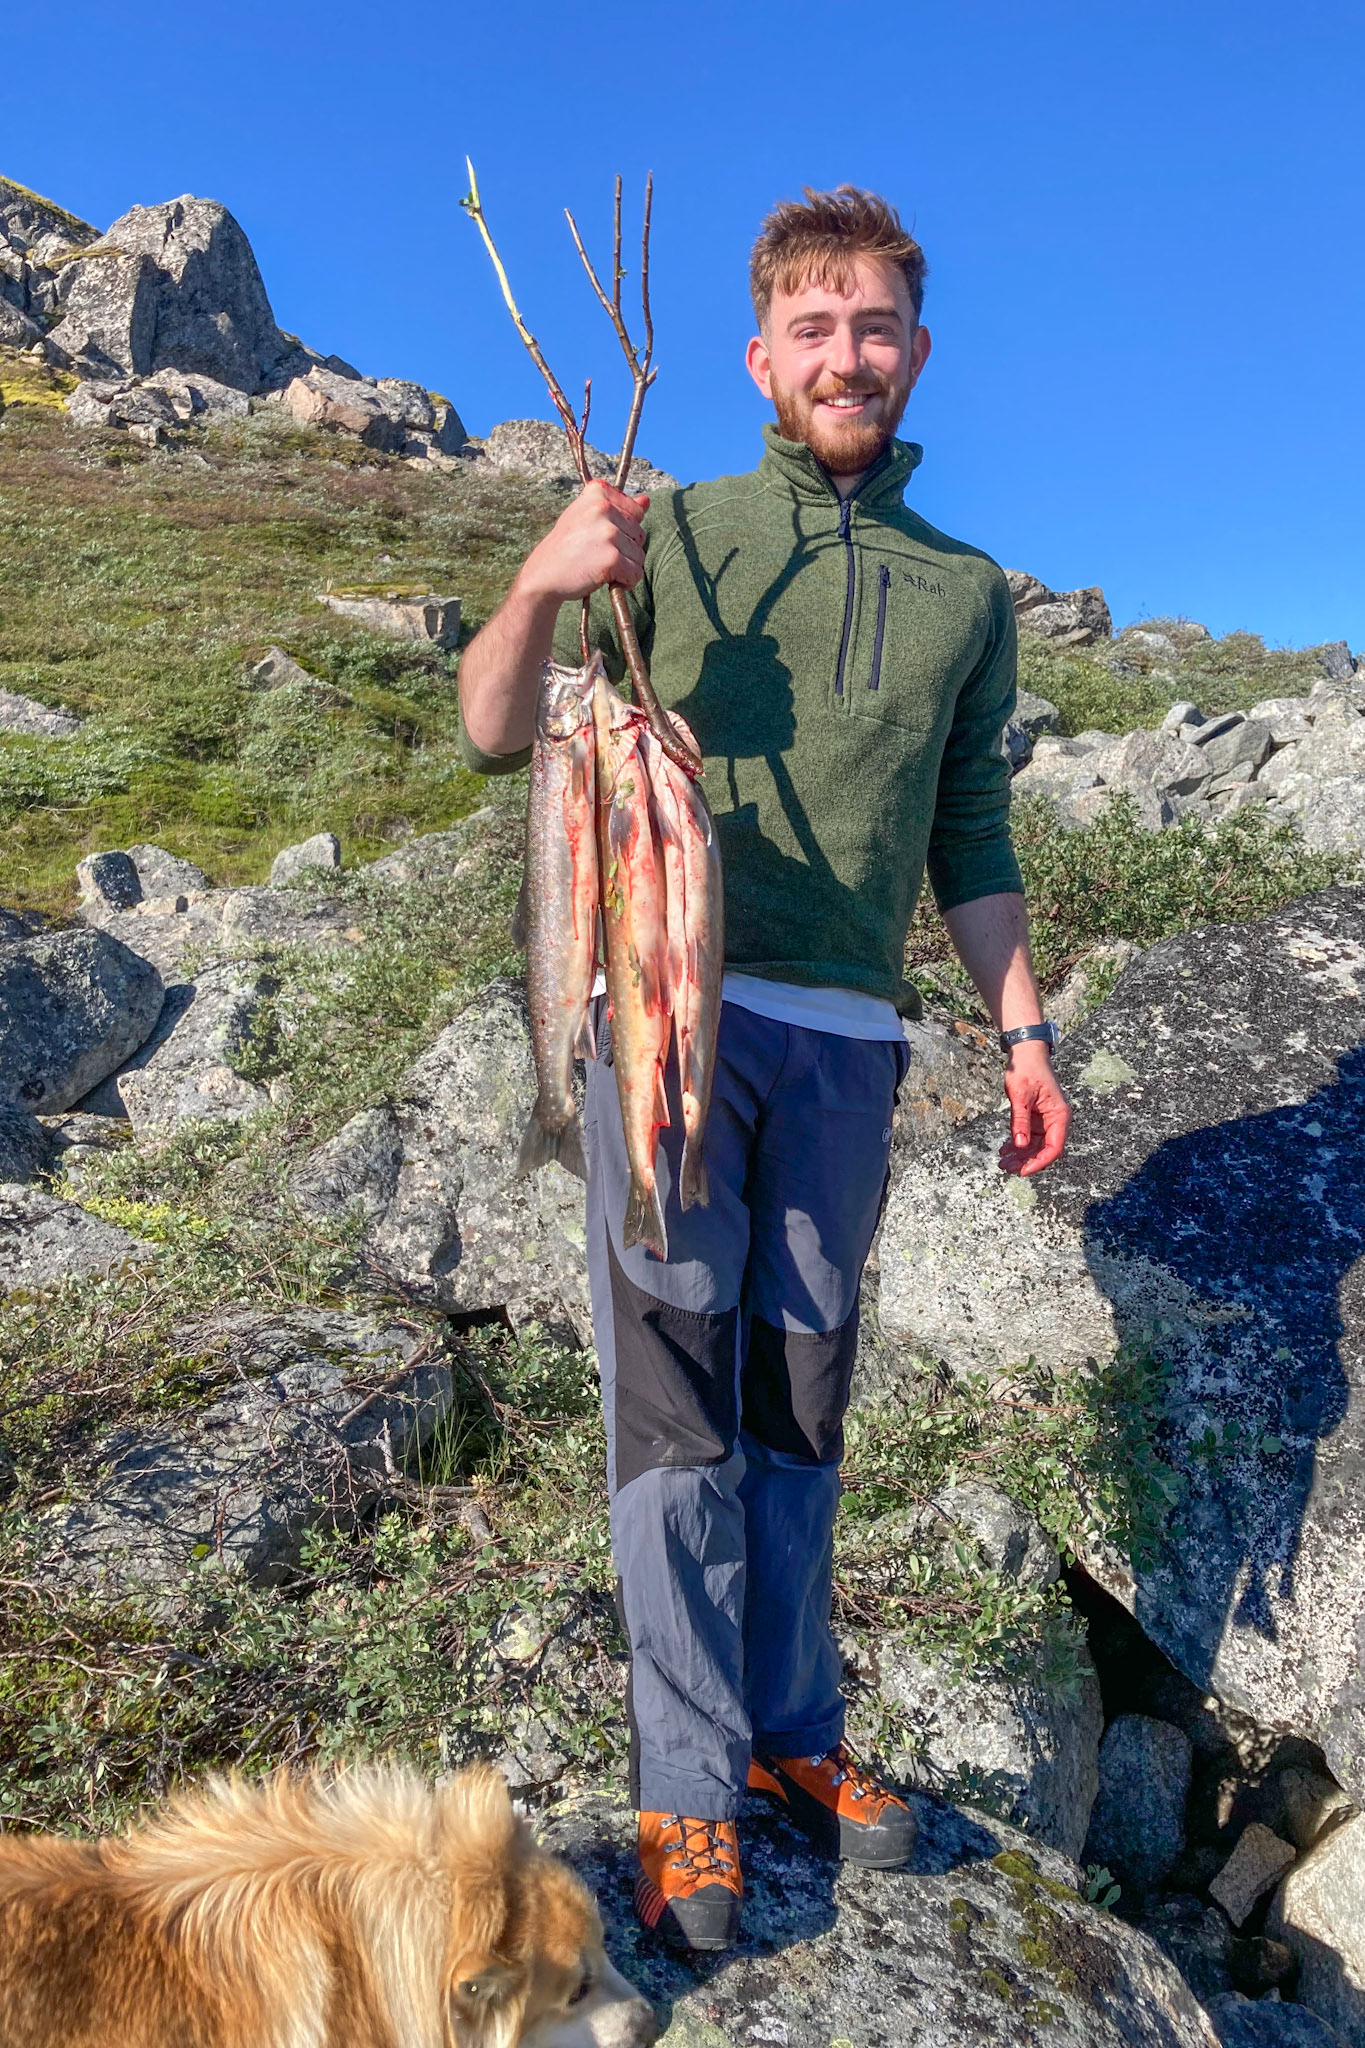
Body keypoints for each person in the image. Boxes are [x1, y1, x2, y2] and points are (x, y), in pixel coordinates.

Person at [458, 184, 1071, 1952]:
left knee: (799, 1403)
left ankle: (795, 1736)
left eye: (874, 326)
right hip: (668, 1021)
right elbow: (505, 735)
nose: (845, 356)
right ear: (757, 356)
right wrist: (539, 580)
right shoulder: (678, 526)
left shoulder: (966, 592)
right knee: (672, 1408)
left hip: (851, 1050)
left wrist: (1019, 1024)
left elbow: (969, 829)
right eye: (812, 329)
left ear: (915, 350)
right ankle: (684, 1780)